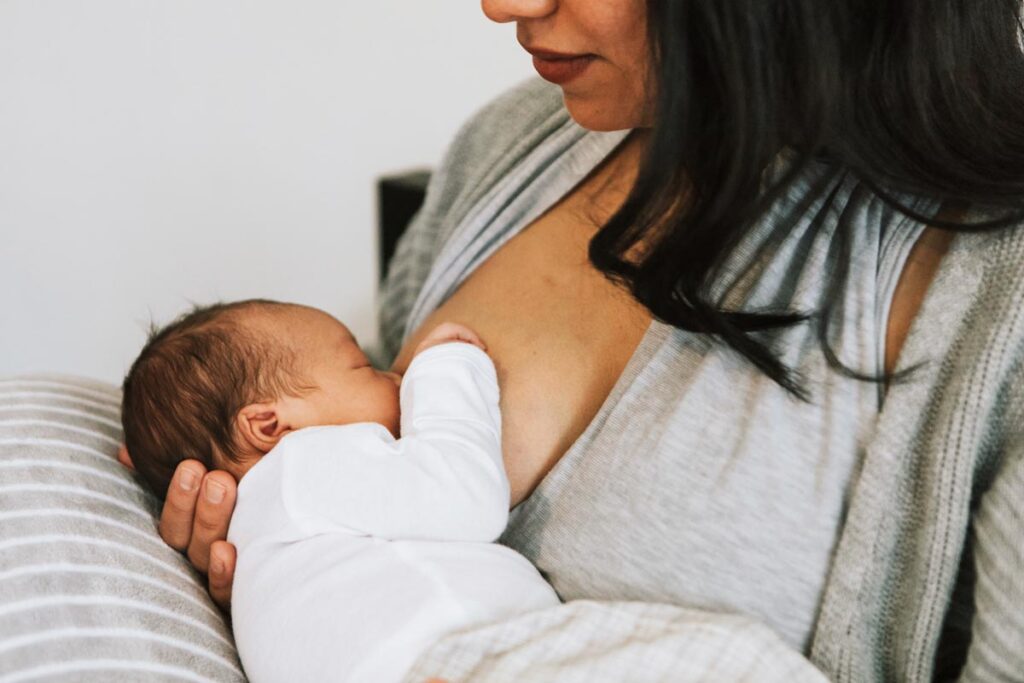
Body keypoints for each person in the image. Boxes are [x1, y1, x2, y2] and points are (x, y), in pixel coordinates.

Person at [142, 1, 1024, 680]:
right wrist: (298, 582)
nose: (500, 6)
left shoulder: (993, 293)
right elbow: (346, 396)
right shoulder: (515, 139)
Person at [118, 300, 559, 682]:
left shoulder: (262, 543)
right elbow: (467, 498)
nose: (396, 377)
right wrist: (448, 368)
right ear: (269, 426)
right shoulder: (302, 465)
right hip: (478, 655)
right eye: (365, 367)